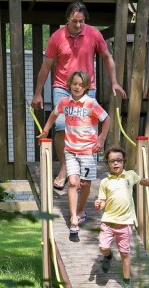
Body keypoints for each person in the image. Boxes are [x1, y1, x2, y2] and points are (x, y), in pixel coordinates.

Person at [31, 1, 126, 228]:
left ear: (85, 20)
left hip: (87, 86)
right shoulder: (57, 37)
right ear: (67, 19)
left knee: (86, 128)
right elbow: (46, 66)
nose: (77, 25)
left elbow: (107, 58)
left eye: (81, 21)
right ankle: (64, 167)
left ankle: (81, 163)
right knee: (62, 125)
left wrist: (113, 81)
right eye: (74, 21)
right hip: (62, 86)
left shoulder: (93, 35)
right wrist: (37, 93)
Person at [37, 70, 109, 241]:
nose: (77, 87)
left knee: (84, 184)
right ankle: (74, 219)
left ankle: (81, 210)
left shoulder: (91, 103)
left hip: (88, 151)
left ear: (85, 88)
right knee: (73, 182)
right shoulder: (64, 102)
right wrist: (46, 130)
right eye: (74, 84)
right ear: (69, 84)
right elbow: (54, 114)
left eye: (81, 85)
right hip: (70, 150)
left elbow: (107, 119)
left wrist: (101, 139)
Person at [94, 146, 149, 288]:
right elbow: (102, 202)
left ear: (124, 162)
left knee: (124, 253)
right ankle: (108, 256)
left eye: (119, 160)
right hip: (108, 222)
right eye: (112, 161)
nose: (116, 163)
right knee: (103, 247)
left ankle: (126, 281)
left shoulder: (130, 175)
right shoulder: (105, 182)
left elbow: (143, 181)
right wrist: (99, 204)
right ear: (107, 163)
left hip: (125, 223)